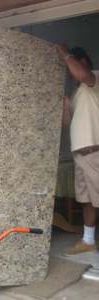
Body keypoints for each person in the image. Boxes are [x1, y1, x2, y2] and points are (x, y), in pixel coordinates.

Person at [57, 45, 99, 255]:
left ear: (82, 62)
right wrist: (65, 104)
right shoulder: (76, 93)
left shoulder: (94, 78)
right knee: (87, 200)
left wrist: (64, 53)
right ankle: (88, 240)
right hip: (81, 155)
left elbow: (84, 75)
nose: (68, 71)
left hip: (96, 152)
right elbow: (67, 124)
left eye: (70, 65)